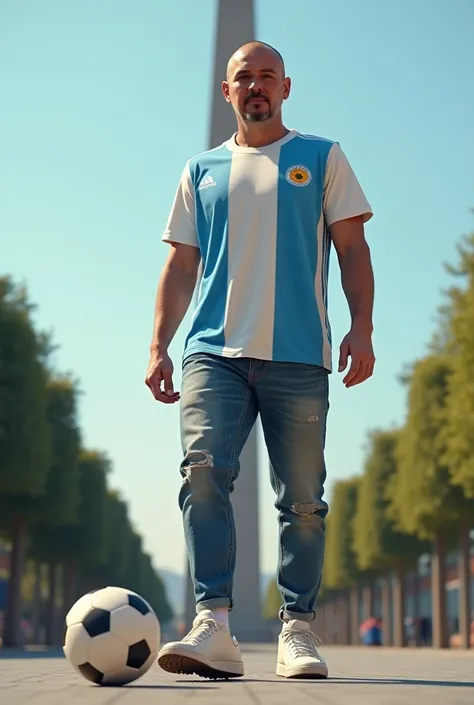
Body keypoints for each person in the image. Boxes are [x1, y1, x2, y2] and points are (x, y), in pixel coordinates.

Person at [145, 41, 375, 680]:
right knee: (202, 473)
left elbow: (352, 248)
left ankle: (296, 629)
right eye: (243, 77)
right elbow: (180, 263)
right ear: (227, 92)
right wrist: (159, 345)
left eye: (266, 76)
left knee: (302, 501)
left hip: (299, 357)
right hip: (211, 352)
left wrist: (362, 327)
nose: (256, 86)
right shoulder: (199, 170)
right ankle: (213, 622)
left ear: (286, 87)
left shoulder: (322, 158)